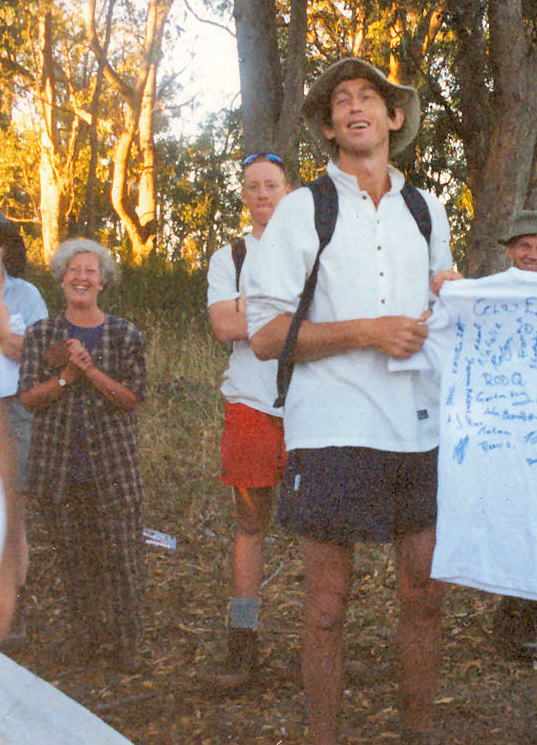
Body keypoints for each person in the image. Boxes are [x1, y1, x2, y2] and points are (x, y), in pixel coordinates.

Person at [245, 57, 458, 745]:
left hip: (420, 428)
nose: (356, 107)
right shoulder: (304, 208)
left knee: (426, 597)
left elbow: (444, 305)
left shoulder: (426, 208)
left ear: (395, 118)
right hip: (332, 427)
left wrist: (460, 297)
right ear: (331, 126)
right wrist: (368, 331)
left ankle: (419, 734)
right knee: (327, 609)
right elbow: (265, 335)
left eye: (371, 96)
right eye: (343, 100)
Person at [18, 239, 146, 673]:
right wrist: (67, 377)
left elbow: (132, 399)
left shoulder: (125, 334)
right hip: (59, 470)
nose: (81, 278)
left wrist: (90, 371)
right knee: (74, 560)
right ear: (60, 279)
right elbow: (28, 399)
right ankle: (85, 641)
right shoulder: (41, 334)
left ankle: (126, 645)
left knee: (122, 559)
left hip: (114, 470)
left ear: (103, 281)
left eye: (90, 271)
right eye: (73, 270)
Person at [206, 153, 291, 688]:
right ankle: (243, 638)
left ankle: (323, 641)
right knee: (250, 526)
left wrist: (252, 312)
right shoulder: (230, 256)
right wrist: (289, 312)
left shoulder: (315, 250)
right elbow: (223, 326)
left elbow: (330, 317)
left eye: (271, 185)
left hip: (312, 407)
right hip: (250, 405)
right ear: (243, 195)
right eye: (253, 186)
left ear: (288, 192)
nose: (262, 194)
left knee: (323, 532)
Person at [489, 209, 537, 661]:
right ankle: (508, 613)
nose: (533, 255)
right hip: (499, 428)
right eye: (525, 246)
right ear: (510, 252)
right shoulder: (486, 296)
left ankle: (527, 619)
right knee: (509, 521)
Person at [0, 210, 47, 646]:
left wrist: (0, 330)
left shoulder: (25, 294)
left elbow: (39, 351)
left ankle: (14, 607)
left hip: (12, 412)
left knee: (12, 512)